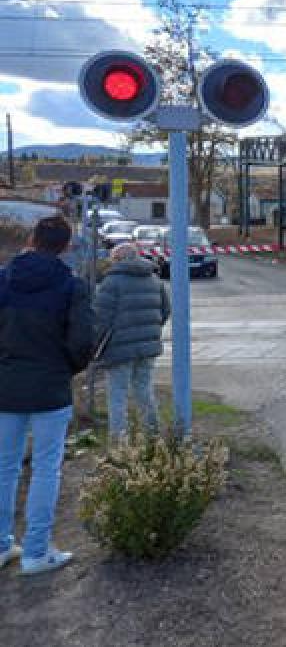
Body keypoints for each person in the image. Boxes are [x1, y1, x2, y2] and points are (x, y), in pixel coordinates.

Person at [0, 215, 94, 575]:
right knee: (45, 469)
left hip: (6, 387)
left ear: (31, 239)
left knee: (4, 467)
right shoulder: (71, 286)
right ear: (66, 246)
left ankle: (2, 544)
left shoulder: (3, 281)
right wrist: (64, 369)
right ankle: (36, 553)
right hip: (51, 388)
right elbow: (83, 341)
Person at [95, 243, 170, 439]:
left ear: (117, 259)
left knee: (117, 394)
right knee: (144, 389)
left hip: (118, 348)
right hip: (147, 347)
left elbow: (101, 319)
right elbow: (165, 311)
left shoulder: (111, 283)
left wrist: (94, 348)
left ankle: (119, 440)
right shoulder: (154, 280)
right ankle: (152, 433)